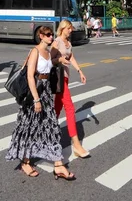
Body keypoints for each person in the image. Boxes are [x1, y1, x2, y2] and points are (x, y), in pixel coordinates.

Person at [6, 26, 75, 180]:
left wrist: (60, 60)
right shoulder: (35, 52)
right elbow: (30, 76)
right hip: (35, 93)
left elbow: (51, 63)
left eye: (52, 34)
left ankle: (58, 165)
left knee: (51, 127)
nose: (51, 37)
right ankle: (25, 161)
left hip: (46, 92)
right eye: (49, 35)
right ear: (41, 36)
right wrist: (36, 99)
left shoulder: (49, 52)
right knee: (30, 127)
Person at [51, 19, 90, 159]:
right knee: (70, 107)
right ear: (62, 28)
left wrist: (80, 71)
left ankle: (47, 129)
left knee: (57, 107)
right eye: (69, 28)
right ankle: (76, 145)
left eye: (71, 28)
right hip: (58, 78)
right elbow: (50, 60)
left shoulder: (68, 43)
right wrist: (59, 60)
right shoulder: (57, 42)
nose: (71, 30)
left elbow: (71, 56)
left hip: (65, 77)